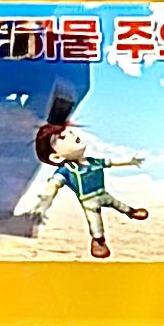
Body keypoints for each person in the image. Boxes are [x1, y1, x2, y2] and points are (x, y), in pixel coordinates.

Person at [18, 103, 152, 262]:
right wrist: (44, 201)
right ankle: (98, 241)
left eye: (69, 130)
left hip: (103, 193)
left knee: (118, 204)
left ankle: (131, 212)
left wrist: (129, 161)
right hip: (89, 201)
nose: (71, 133)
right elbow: (54, 184)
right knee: (95, 222)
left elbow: (110, 162)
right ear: (56, 157)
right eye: (62, 137)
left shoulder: (93, 161)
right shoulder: (67, 171)